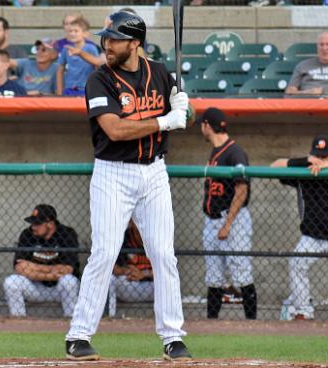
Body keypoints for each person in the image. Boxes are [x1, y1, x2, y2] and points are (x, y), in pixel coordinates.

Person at [65, 11, 192, 362]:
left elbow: (184, 117)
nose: (107, 44)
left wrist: (184, 107)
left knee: (164, 254)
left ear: (135, 43)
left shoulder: (161, 74)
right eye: (106, 38)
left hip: (154, 173)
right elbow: (116, 130)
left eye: (115, 39)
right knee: (104, 252)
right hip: (112, 174)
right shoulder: (99, 79)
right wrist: (165, 120)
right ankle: (78, 336)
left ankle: (173, 337)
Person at [271, 135, 328, 322]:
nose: (321, 159)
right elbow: (275, 166)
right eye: (318, 155)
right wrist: (304, 161)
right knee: (297, 263)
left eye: (325, 155)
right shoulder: (304, 166)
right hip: (312, 235)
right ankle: (303, 311)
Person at [198, 107, 257, 320]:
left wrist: (228, 224)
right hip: (212, 219)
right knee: (213, 276)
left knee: (241, 272)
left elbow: (242, 190)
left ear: (207, 126)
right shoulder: (216, 151)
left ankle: (252, 325)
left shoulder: (235, 152)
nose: (201, 129)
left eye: (202, 125)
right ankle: (211, 325)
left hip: (232, 219)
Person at [3, 204, 80, 318]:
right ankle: (18, 321)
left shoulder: (67, 233)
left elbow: (68, 269)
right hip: (34, 287)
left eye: (37, 223)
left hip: (59, 288)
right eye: (32, 223)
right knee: (11, 282)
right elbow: (19, 268)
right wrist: (53, 271)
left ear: (50, 223)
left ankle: (71, 320)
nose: (33, 227)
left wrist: (33, 267)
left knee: (69, 281)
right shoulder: (27, 234)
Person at [107, 219, 154, 318]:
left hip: (152, 287)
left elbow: (166, 270)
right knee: (110, 279)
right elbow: (113, 268)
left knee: (166, 281)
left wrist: (143, 274)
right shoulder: (123, 237)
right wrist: (127, 271)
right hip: (129, 284)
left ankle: (162, 319)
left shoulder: (159, 236)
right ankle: (110, 317)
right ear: (131, 223)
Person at [55, 17, 101, 96]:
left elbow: (97, 67)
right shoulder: (66, 49)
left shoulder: (91, 48)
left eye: (76, 31)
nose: (72, 34)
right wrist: (59, 92)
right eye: (70, 31)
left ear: (85, 33)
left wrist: (96, 89)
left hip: (86, 90)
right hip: (69, 89)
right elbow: (60, 70)